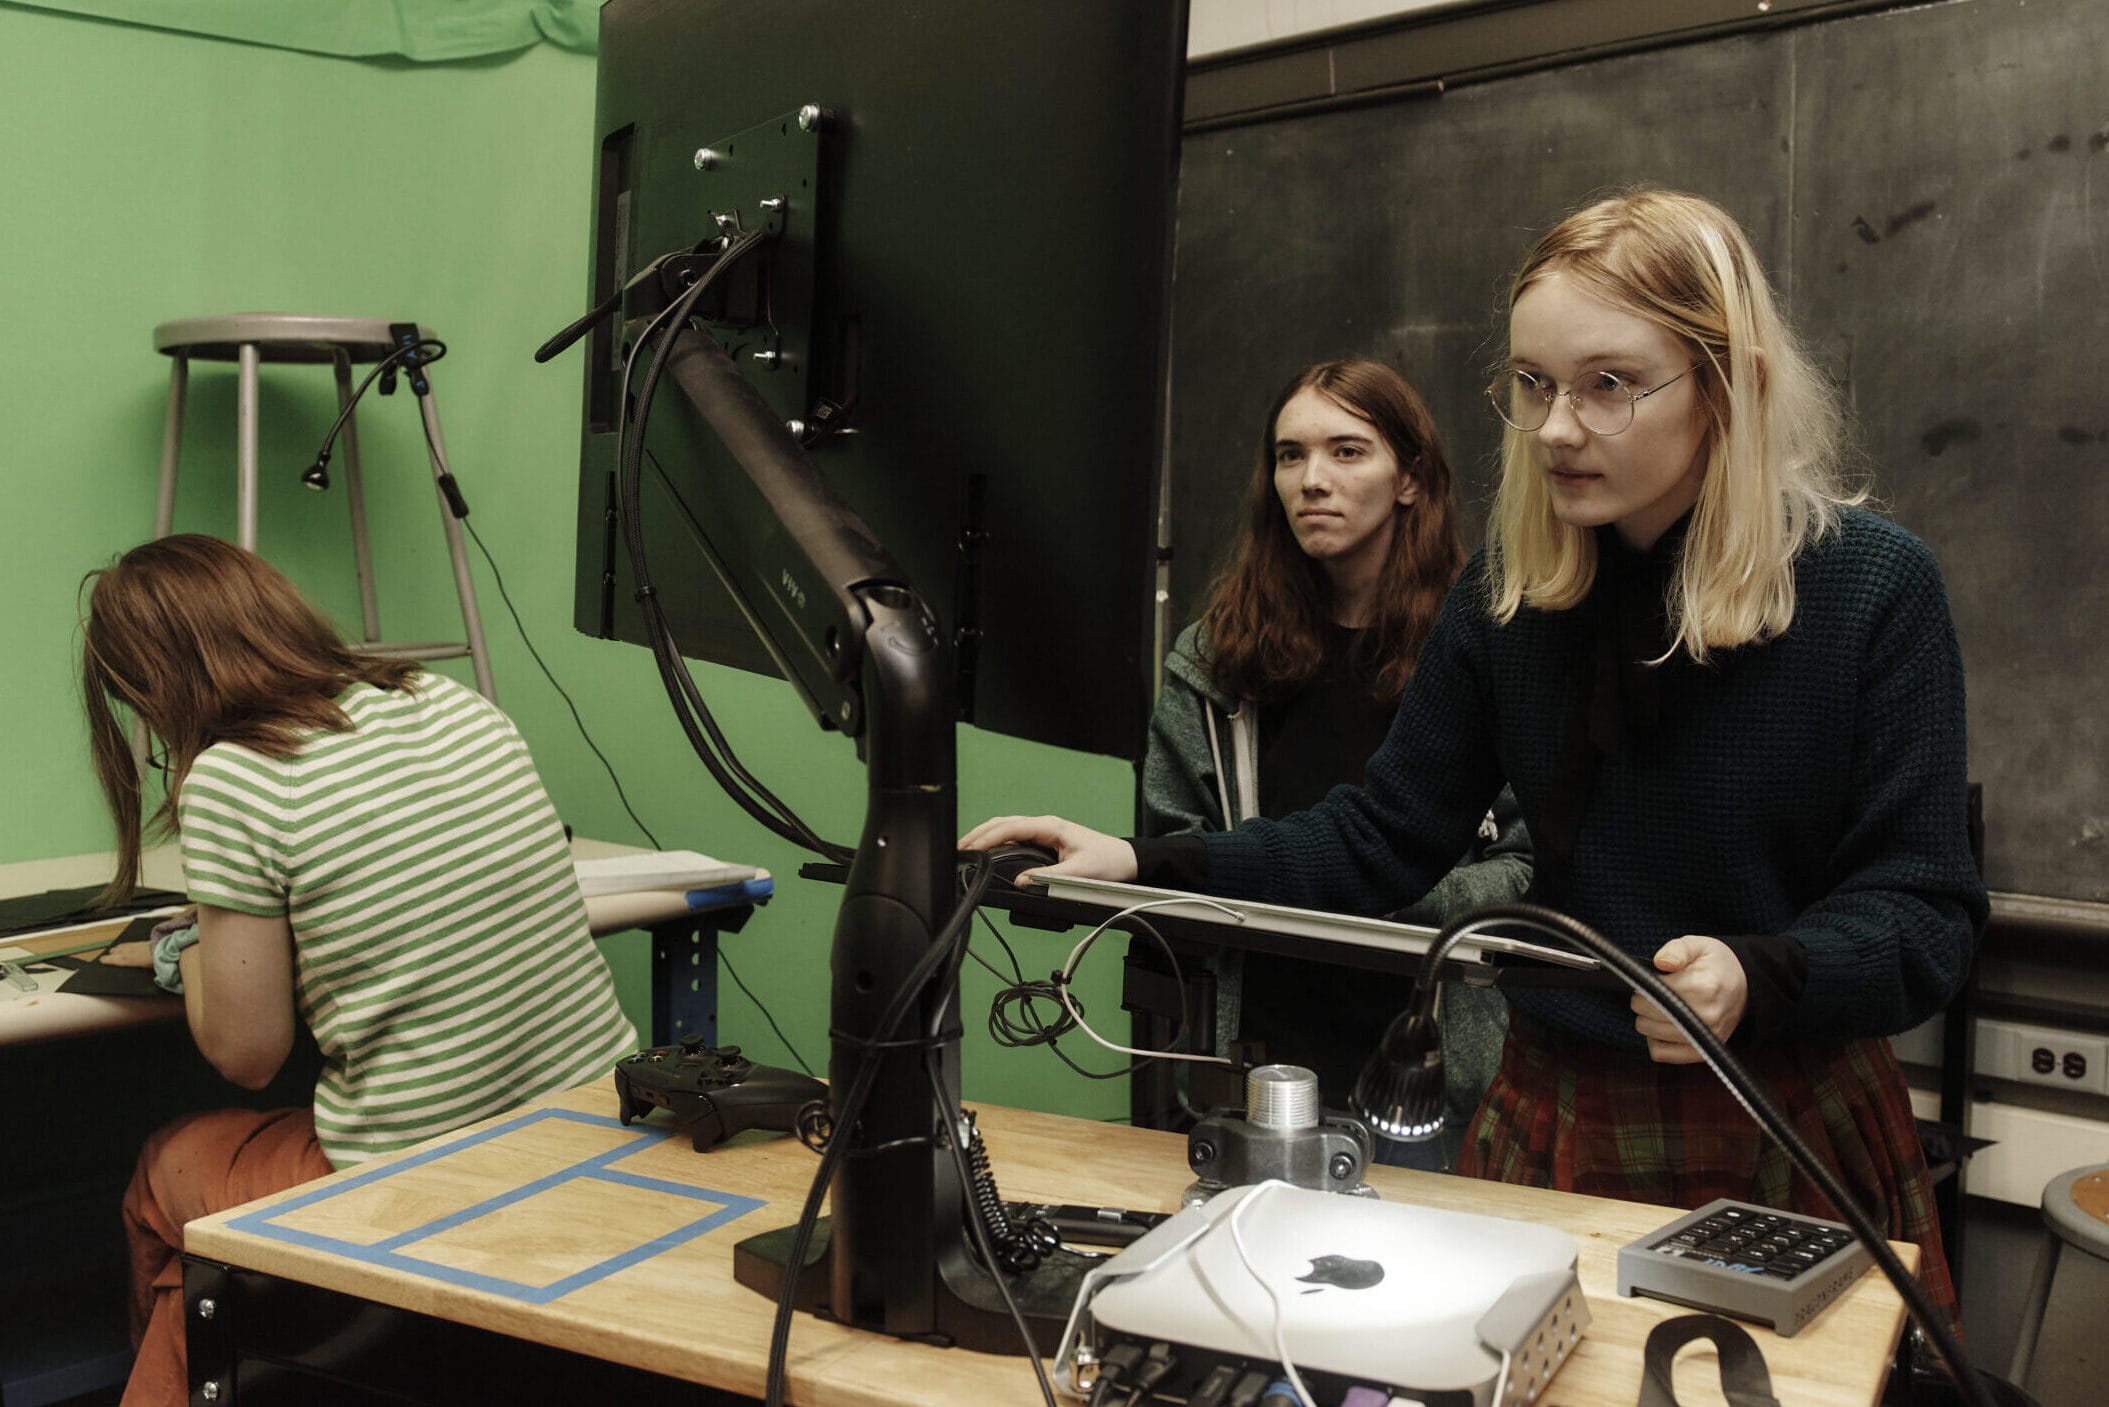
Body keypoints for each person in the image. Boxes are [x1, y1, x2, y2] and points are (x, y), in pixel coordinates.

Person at [966, 189, 1984, 1327]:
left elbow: (1924, 909)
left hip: (1781, 1119)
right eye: (1534, 385)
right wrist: (1140, 863)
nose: (1553, 428)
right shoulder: (1511, 600)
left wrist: (1760, 975)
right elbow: (1378, 836)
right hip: (1552, 1110)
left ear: (1727, 383)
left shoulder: (1874, 589)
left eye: (1608, 384)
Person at [79, 534, 639, 1405]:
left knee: (167, 1167)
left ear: (152, 687)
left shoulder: (233, 777)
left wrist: (188, 950)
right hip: (583, 1125)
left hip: (425, 1169)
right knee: (191, 1280)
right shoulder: (443, 697)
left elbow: (248, 1052)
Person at [1140, 359, 1530, 1164]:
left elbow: (1534, 865)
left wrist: (1385, 893)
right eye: (1290, 455)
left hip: (1435, 1075)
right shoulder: (1215, 664)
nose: (1312, 480)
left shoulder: (1486, 652)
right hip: (1254, 1067)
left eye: (1346, 452)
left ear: (1410, 479)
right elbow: (1174, 845)